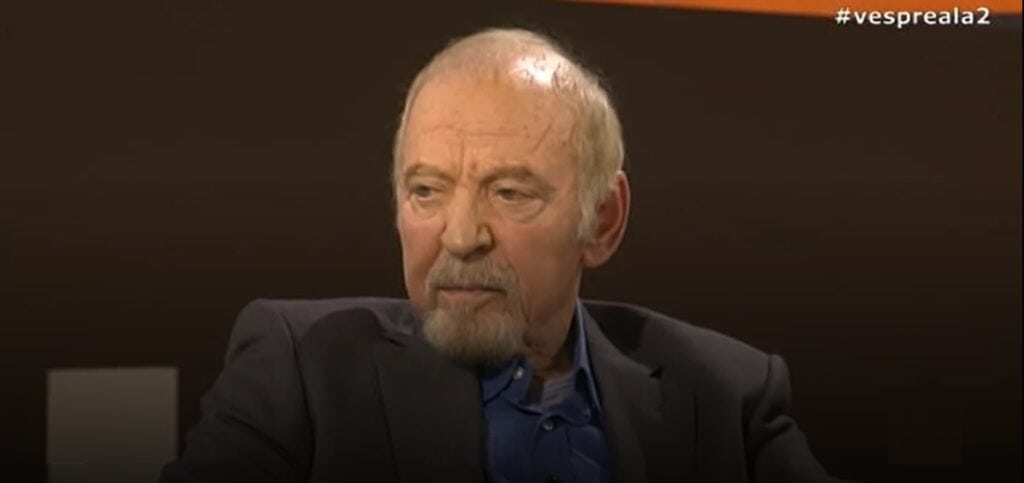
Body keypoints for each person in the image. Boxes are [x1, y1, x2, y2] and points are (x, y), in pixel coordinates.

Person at [161, 28, 847, 483]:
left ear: (602, 221)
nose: (461, 236)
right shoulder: (303, 369)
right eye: (426, 190)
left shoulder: (725, 393)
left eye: (510, 192)